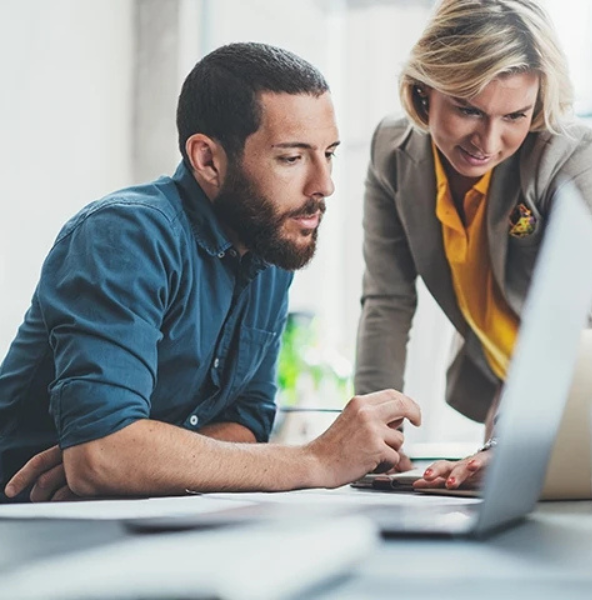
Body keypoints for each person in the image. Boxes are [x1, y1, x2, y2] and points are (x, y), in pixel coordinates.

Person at [0, 42, 420, 503]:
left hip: (141, 524)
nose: (324, 185)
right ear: (207, 159)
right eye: (292, 158)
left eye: (329, 154)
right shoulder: (124, 235)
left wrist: (142, 456)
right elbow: (103, 457)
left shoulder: (269, 244)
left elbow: (247, 422)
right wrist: (316, 459)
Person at [354, 0, 592, 491]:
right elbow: (387, 303)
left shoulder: (572, 157)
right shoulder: (391, 152)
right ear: (424, 91)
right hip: (523, 384)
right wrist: (375, 439)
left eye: (515, 115)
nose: (488, 139)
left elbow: (566, 326)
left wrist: (507, 443)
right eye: (468, 109)